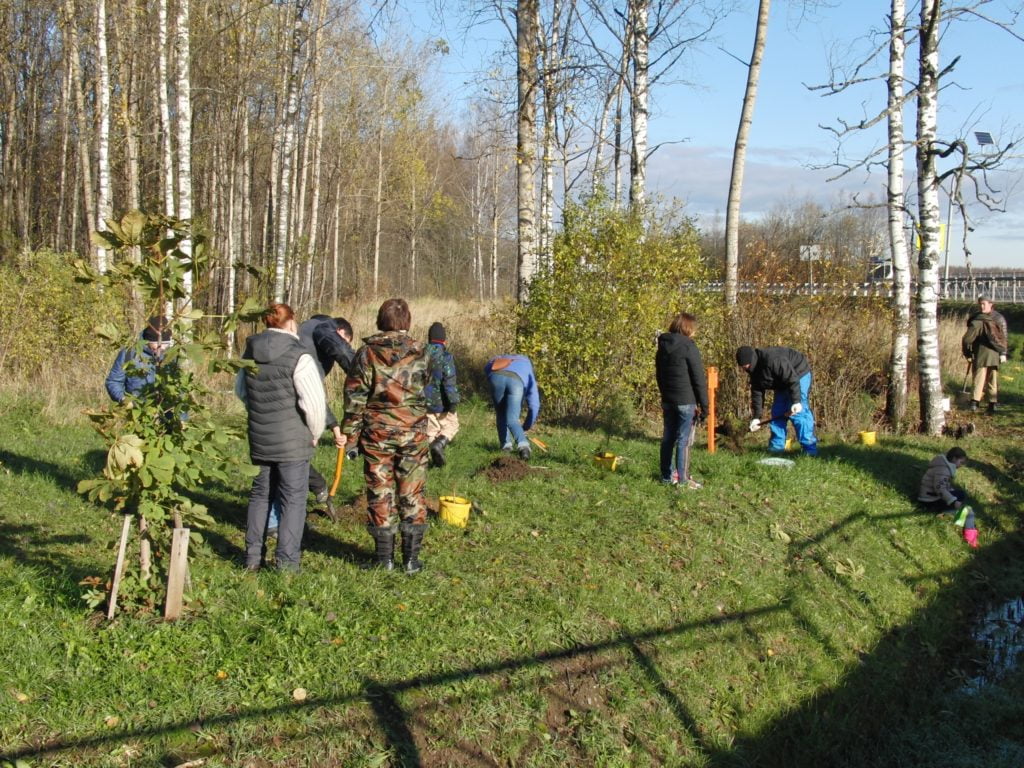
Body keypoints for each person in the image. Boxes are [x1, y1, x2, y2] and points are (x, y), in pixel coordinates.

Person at [235, 303, 337, 572]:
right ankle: (287, 564)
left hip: (260, 436)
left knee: (260, 496)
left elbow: (241, 391)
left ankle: (252, 559)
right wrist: (315, 433)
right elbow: (313, 403)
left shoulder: (250, 350)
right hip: (293, 442)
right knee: (293, 500)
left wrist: (258, 412)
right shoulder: (298, 354)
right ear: (291, 322)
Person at [340, 298, 431, 573]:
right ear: (407, 321)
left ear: (381, 320)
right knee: (412, 492)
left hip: (378, 433)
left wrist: (350, 435)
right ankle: (411, 561)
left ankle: (385, 561)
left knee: (380, 492)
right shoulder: (422, 352)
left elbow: (355, 396)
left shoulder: (366, 353)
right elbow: (424, 384)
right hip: (413, 433)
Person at [655, 312, 708, 488]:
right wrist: (705, 406)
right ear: (688, 328)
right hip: (686, 400)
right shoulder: (689, 346)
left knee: (668, 438)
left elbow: (659, 375)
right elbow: (698, 378)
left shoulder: (662, 346)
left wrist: (664, 394)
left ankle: (666, 477)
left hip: (668, 399)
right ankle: (683, 480)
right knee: (683, 441)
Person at [736, 345, 818, 456]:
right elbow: (757, 393)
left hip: (798, 374)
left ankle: (809, 449)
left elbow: (792, 379)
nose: (745, 368)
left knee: (799, 414)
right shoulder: (753, 371)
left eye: (746, 365)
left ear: (751, 360)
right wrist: (756, 417)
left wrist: (796, 401)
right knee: (778, 412)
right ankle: (776, 448)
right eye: (743, 367)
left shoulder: (773, 360)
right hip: (782, 382)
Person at [484, 354, 540, 460]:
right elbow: (534, 404)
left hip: (496, 378)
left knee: (501, 413)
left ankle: (506, 447)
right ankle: (524, 447)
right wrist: (526, 426)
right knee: (512, 419)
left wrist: (491, 378)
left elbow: (487, 367)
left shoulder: (499, 357)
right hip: (516, 382)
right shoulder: (527, 366)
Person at [105, 316, 172, 403]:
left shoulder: (171, 355)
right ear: (147, 341)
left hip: (165, 413)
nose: (161, 348)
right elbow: (113, 381)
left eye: (165, 344)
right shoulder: (129, 353)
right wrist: (123, 400)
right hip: (137, 411)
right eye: (157, 343)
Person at [961, 295, 1008, 413]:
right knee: (990, 378)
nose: (982, 306)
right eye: (980, 304)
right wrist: (1002, 352)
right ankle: (992, 404)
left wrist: (967, 353)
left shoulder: (978, 319)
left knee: (980, 378)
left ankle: (975, 403)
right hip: (994, 353)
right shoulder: (998, 318)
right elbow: (1003, 338)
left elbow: (967, 339)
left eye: (984, 304)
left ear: (991, 304)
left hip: (982, 353)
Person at [423, 322, 461, 467]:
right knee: (452, 425)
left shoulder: (419, 354)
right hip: (442, 404)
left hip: (424, 403)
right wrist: (453, 403)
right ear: (444, 340)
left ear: (429, 338)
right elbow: (449, 382)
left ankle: (427, 462)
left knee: (430, 431)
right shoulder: (446, 357)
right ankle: (439, 445)